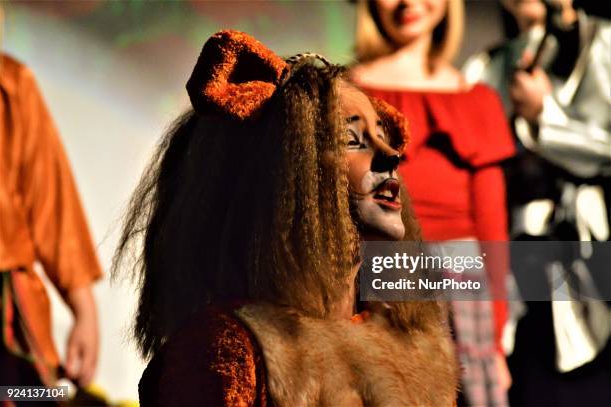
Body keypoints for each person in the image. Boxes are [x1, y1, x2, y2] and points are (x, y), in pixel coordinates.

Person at [113, 30, 459, 406]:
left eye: (382, 134)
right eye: (352, 140)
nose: (391, 153)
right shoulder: (230, 350)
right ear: (287, 173)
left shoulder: (411, 345)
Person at [350, 0, 516, 405]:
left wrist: (494, 338)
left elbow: (491, 222)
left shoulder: (476, 98)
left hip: (465, 275)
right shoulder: (351, 94)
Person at [464, 1, 611, 405]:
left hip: (591, 262)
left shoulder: (602, 43)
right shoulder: (484, 66)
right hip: (512, 270)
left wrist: (546, 119)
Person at [0, 53, 102, 388]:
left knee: (30, 396)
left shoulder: (10, 83)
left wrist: (84, 311)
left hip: (8, 314)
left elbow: (51, 200)